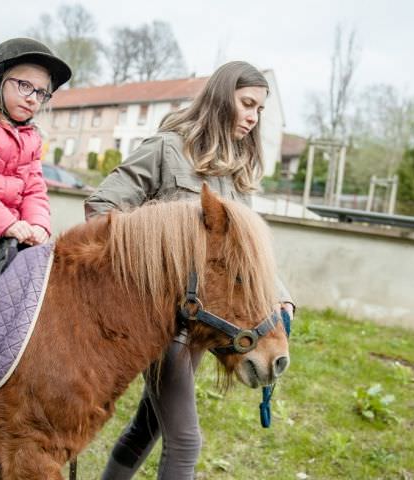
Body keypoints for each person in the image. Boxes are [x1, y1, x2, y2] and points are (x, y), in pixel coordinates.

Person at [85, 61, 295, 480]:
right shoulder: (166, 147)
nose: (253, 116)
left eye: (260, 109)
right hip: (164, 321)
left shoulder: (234, 172)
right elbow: (101, 207)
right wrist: (153, 265)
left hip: (208, 319)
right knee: (185, 441)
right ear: (221, 98)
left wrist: (279, 293)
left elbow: (242, 251)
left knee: (149, 425)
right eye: (247, 103)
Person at [0, 37, 71, 303]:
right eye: (24, 86)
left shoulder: (32, 138)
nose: (32, 99)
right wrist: (7, 224)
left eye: (41, 93)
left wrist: (38, 224)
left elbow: (34, 189)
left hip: (14, 226)